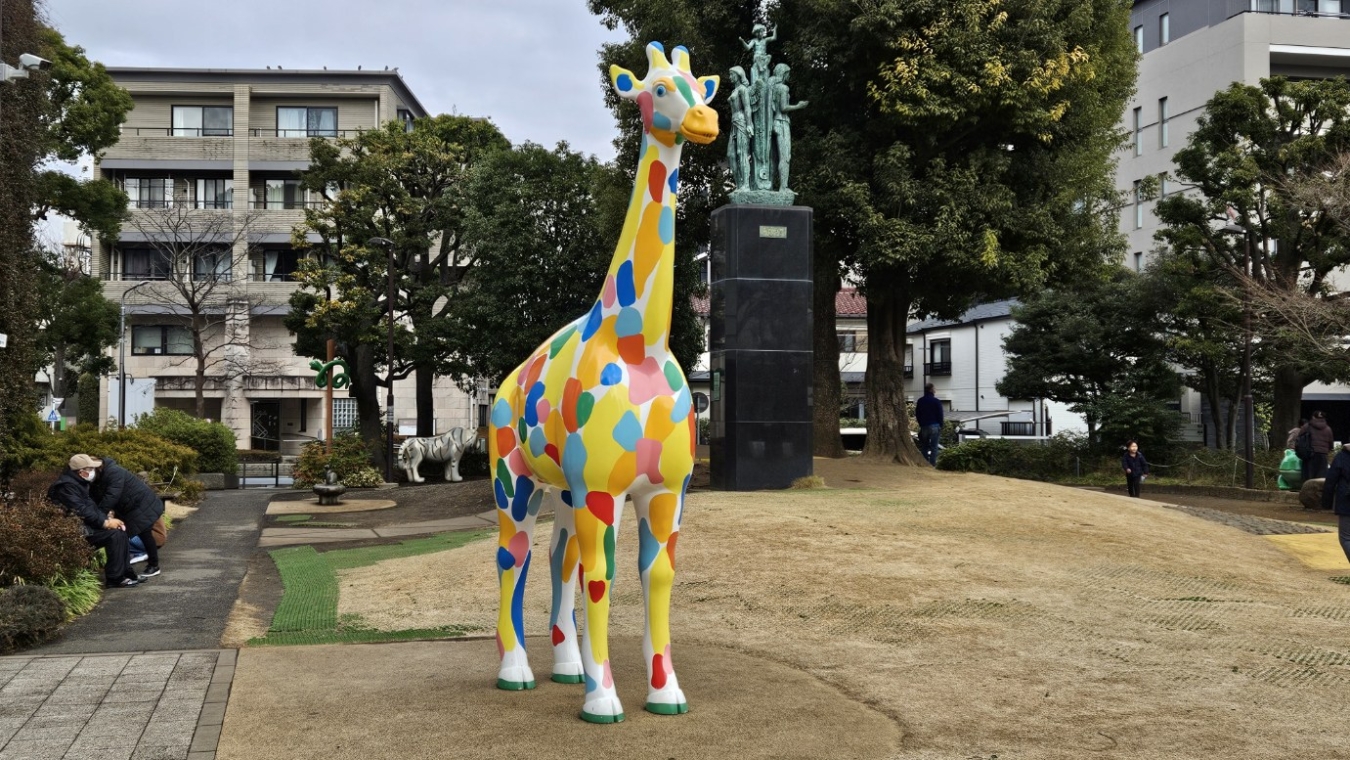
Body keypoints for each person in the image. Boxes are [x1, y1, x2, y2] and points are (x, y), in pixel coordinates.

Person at [47, 454, 142, 588]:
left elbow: (90, 508)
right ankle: (115, 578)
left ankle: (126, 574)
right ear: (81, 472)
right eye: (90, 469)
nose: (93, 472)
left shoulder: (79, 484)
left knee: (119, 532)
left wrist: (107, 519)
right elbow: (81, 510)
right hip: (73, 531)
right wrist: (106, 523)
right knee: (114, 535)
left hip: (83, 526)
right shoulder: (65, 487)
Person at [89, 457, 165, 578]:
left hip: (141, 505)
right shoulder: (99, 478)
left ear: (97, 467)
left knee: (145, 533)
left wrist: (99, 516)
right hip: (129, 507)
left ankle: (154, 565)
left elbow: (111, 496)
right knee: (121, 534)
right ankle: (124, 565)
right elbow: (95, 497)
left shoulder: (114, 472)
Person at [1301, 411, 1335, 481]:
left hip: (1309, 454)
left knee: (1309, 478)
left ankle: (1308, 491)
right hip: (1323, 455)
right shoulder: (1328, 429)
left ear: (1313, 417)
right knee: (1320, 478)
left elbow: (1299, 440)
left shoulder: (1306, 427)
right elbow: (1331, 444)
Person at [914, 383, 944, 466]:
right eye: (934, 388)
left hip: (924, 426)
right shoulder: (936, 401)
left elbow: (918, 414)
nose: (935, 390)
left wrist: (921, 423)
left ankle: (925, 463)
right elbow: (940, 414)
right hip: (935, 425)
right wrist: (941, 425)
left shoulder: (920, 401)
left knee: (925, 446)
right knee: (934, 447)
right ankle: (932, 464)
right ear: (931, 390)